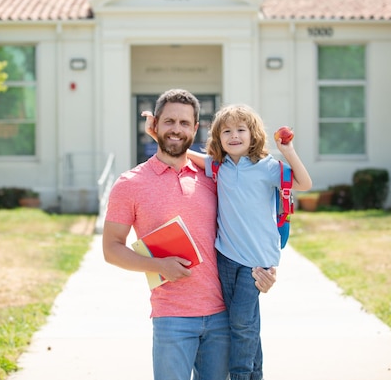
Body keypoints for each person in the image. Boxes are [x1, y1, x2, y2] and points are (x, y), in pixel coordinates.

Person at [103, 90, 276, 380]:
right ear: (155, 125)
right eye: (169, 121)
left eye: (185, 123)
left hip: (222, 315)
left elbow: (253, 224)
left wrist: (263, 273)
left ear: (195, 129)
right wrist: (159, 266)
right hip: (172, 317)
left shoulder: (216, 176)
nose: (176, 129)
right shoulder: (129, 184)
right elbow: (111, 249)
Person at [143, 104, 312, 380]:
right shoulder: (218, 167)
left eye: (241, 130)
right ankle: (254, 374)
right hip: (226, 257)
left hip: (256, 262)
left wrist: (288, 152)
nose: (234, 136)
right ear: (218, 138)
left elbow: (303, 183)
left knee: (243, 325)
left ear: (253, 134)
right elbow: (185, 153)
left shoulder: (267, 167)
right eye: (227, 131)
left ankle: (241, 375)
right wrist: (157, 135)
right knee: (242, 324)